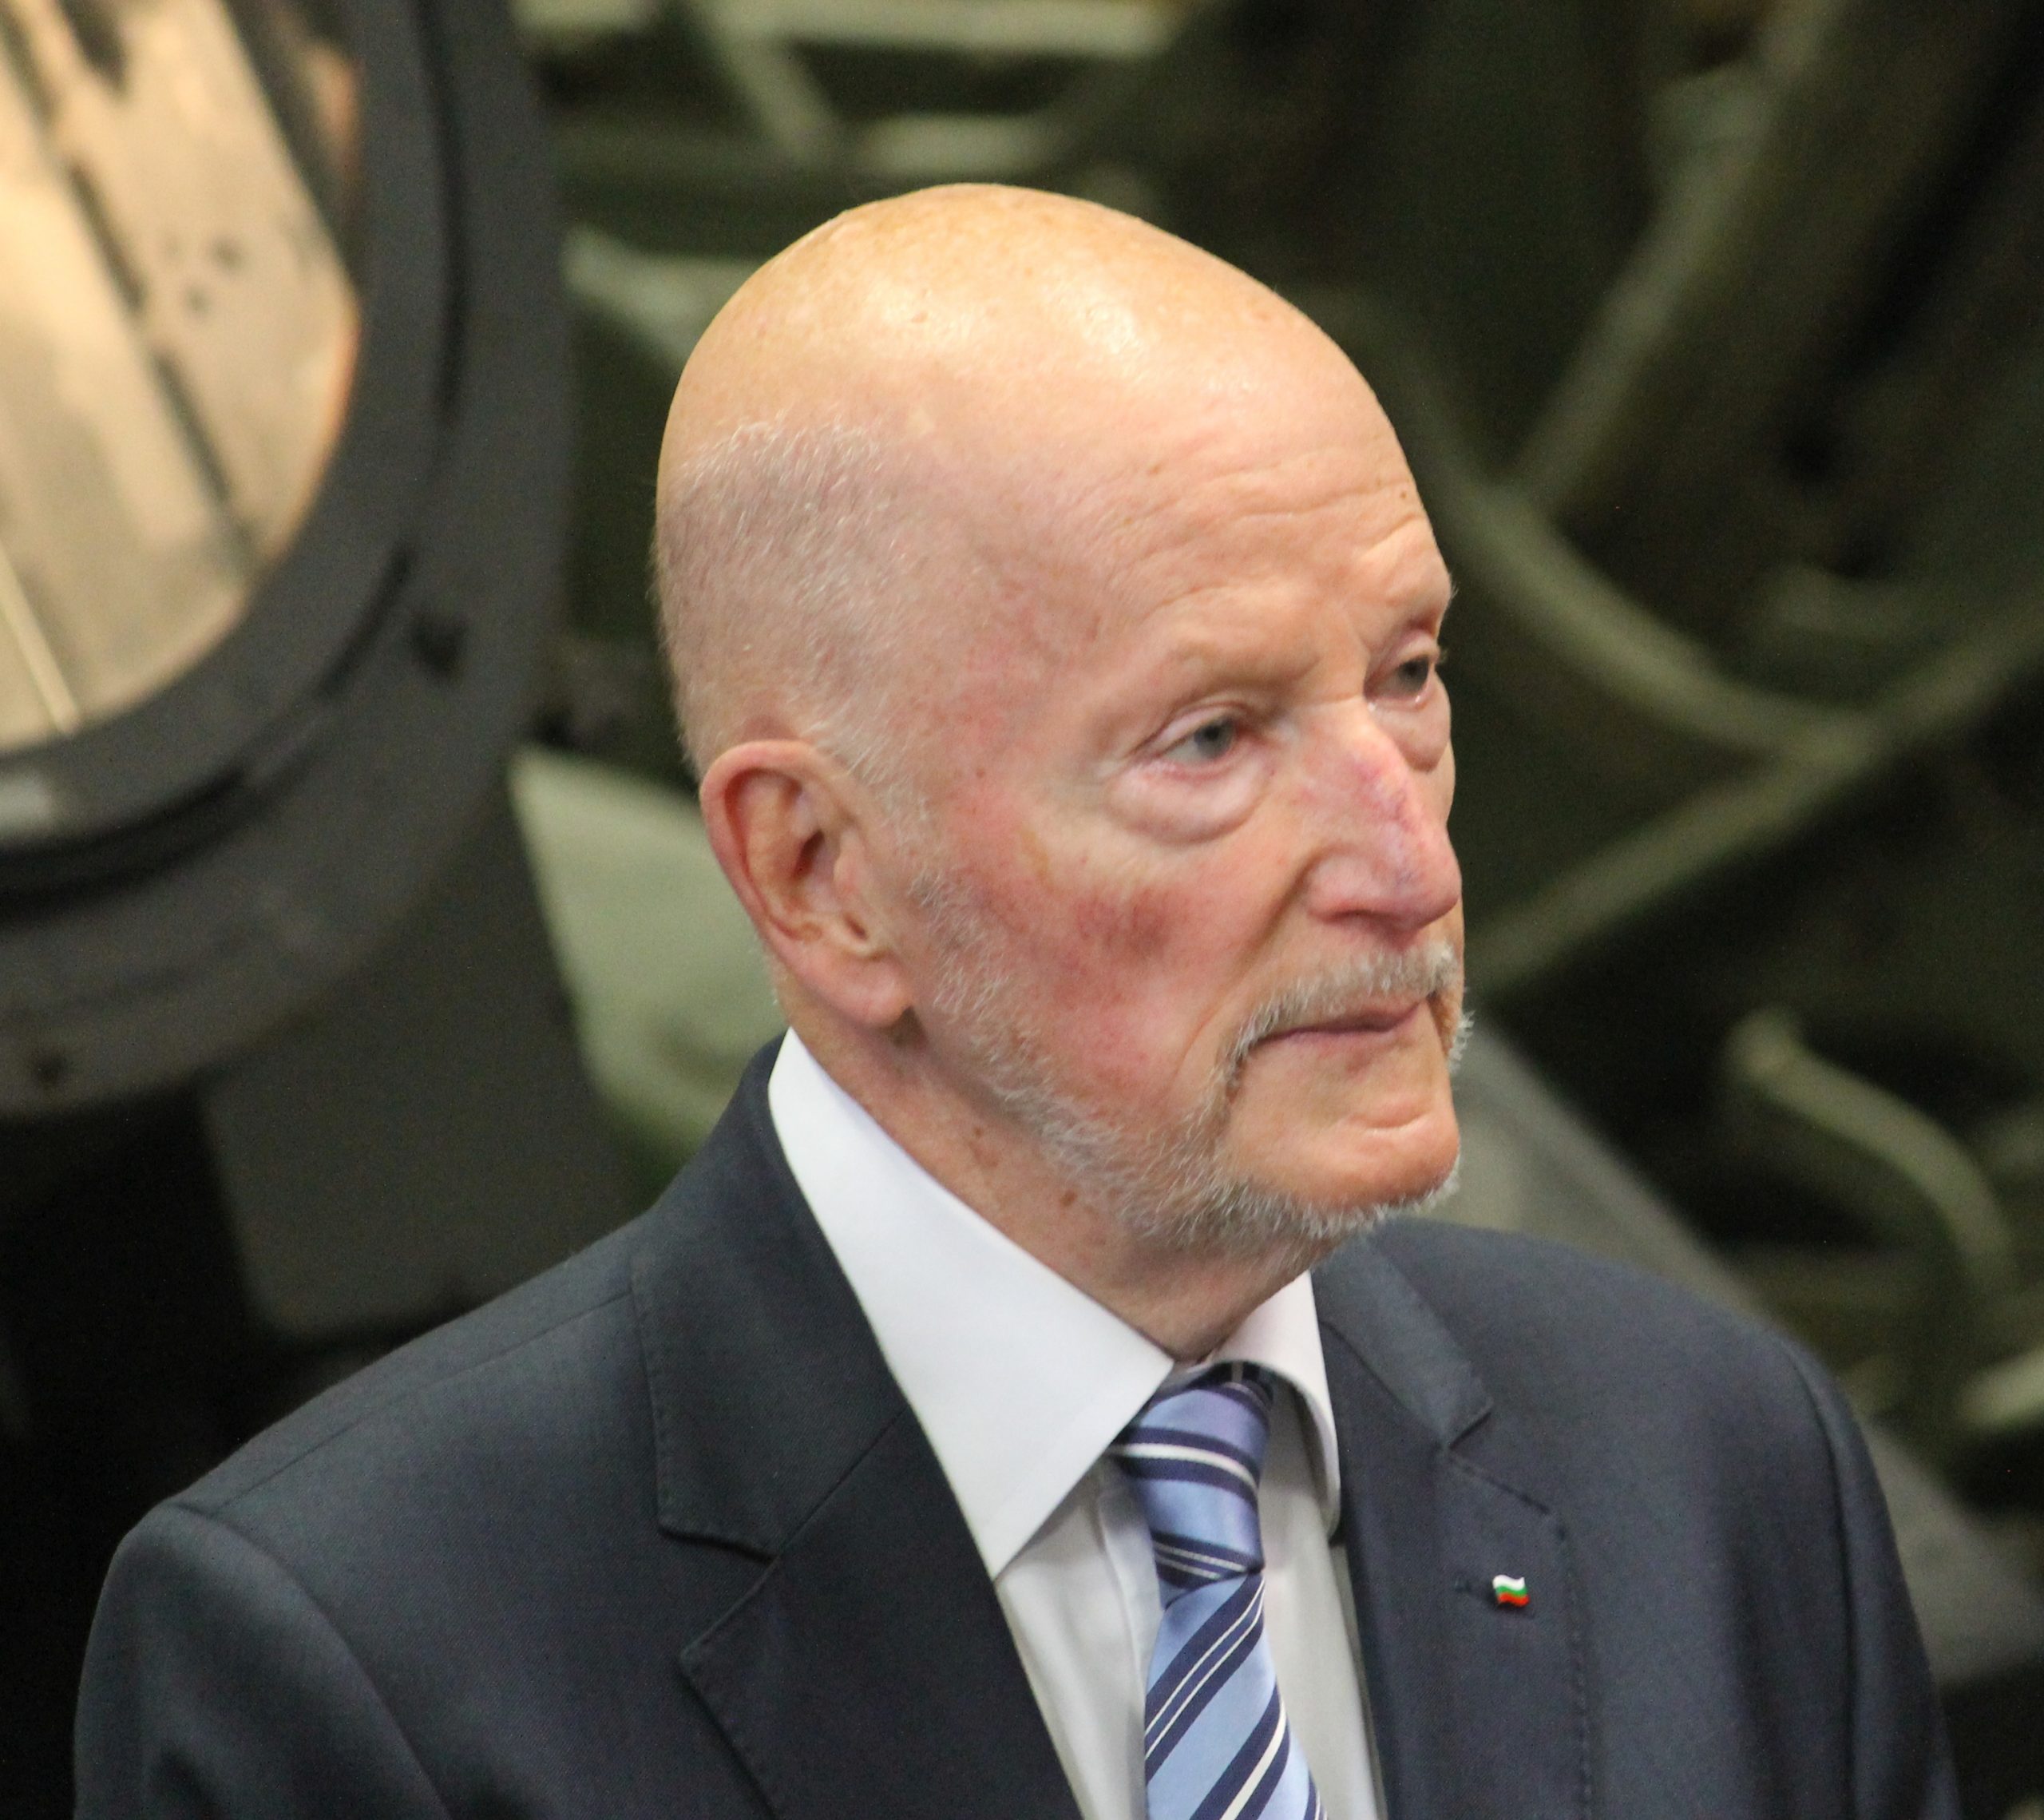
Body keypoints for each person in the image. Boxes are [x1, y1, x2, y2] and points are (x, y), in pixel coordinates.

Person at [76, 185, 1955, 1819]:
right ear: (820, 873)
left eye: (1404, 677)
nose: (1406, 862)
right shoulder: (358, 1660)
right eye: (1209, 741)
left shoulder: (1712, 1468)